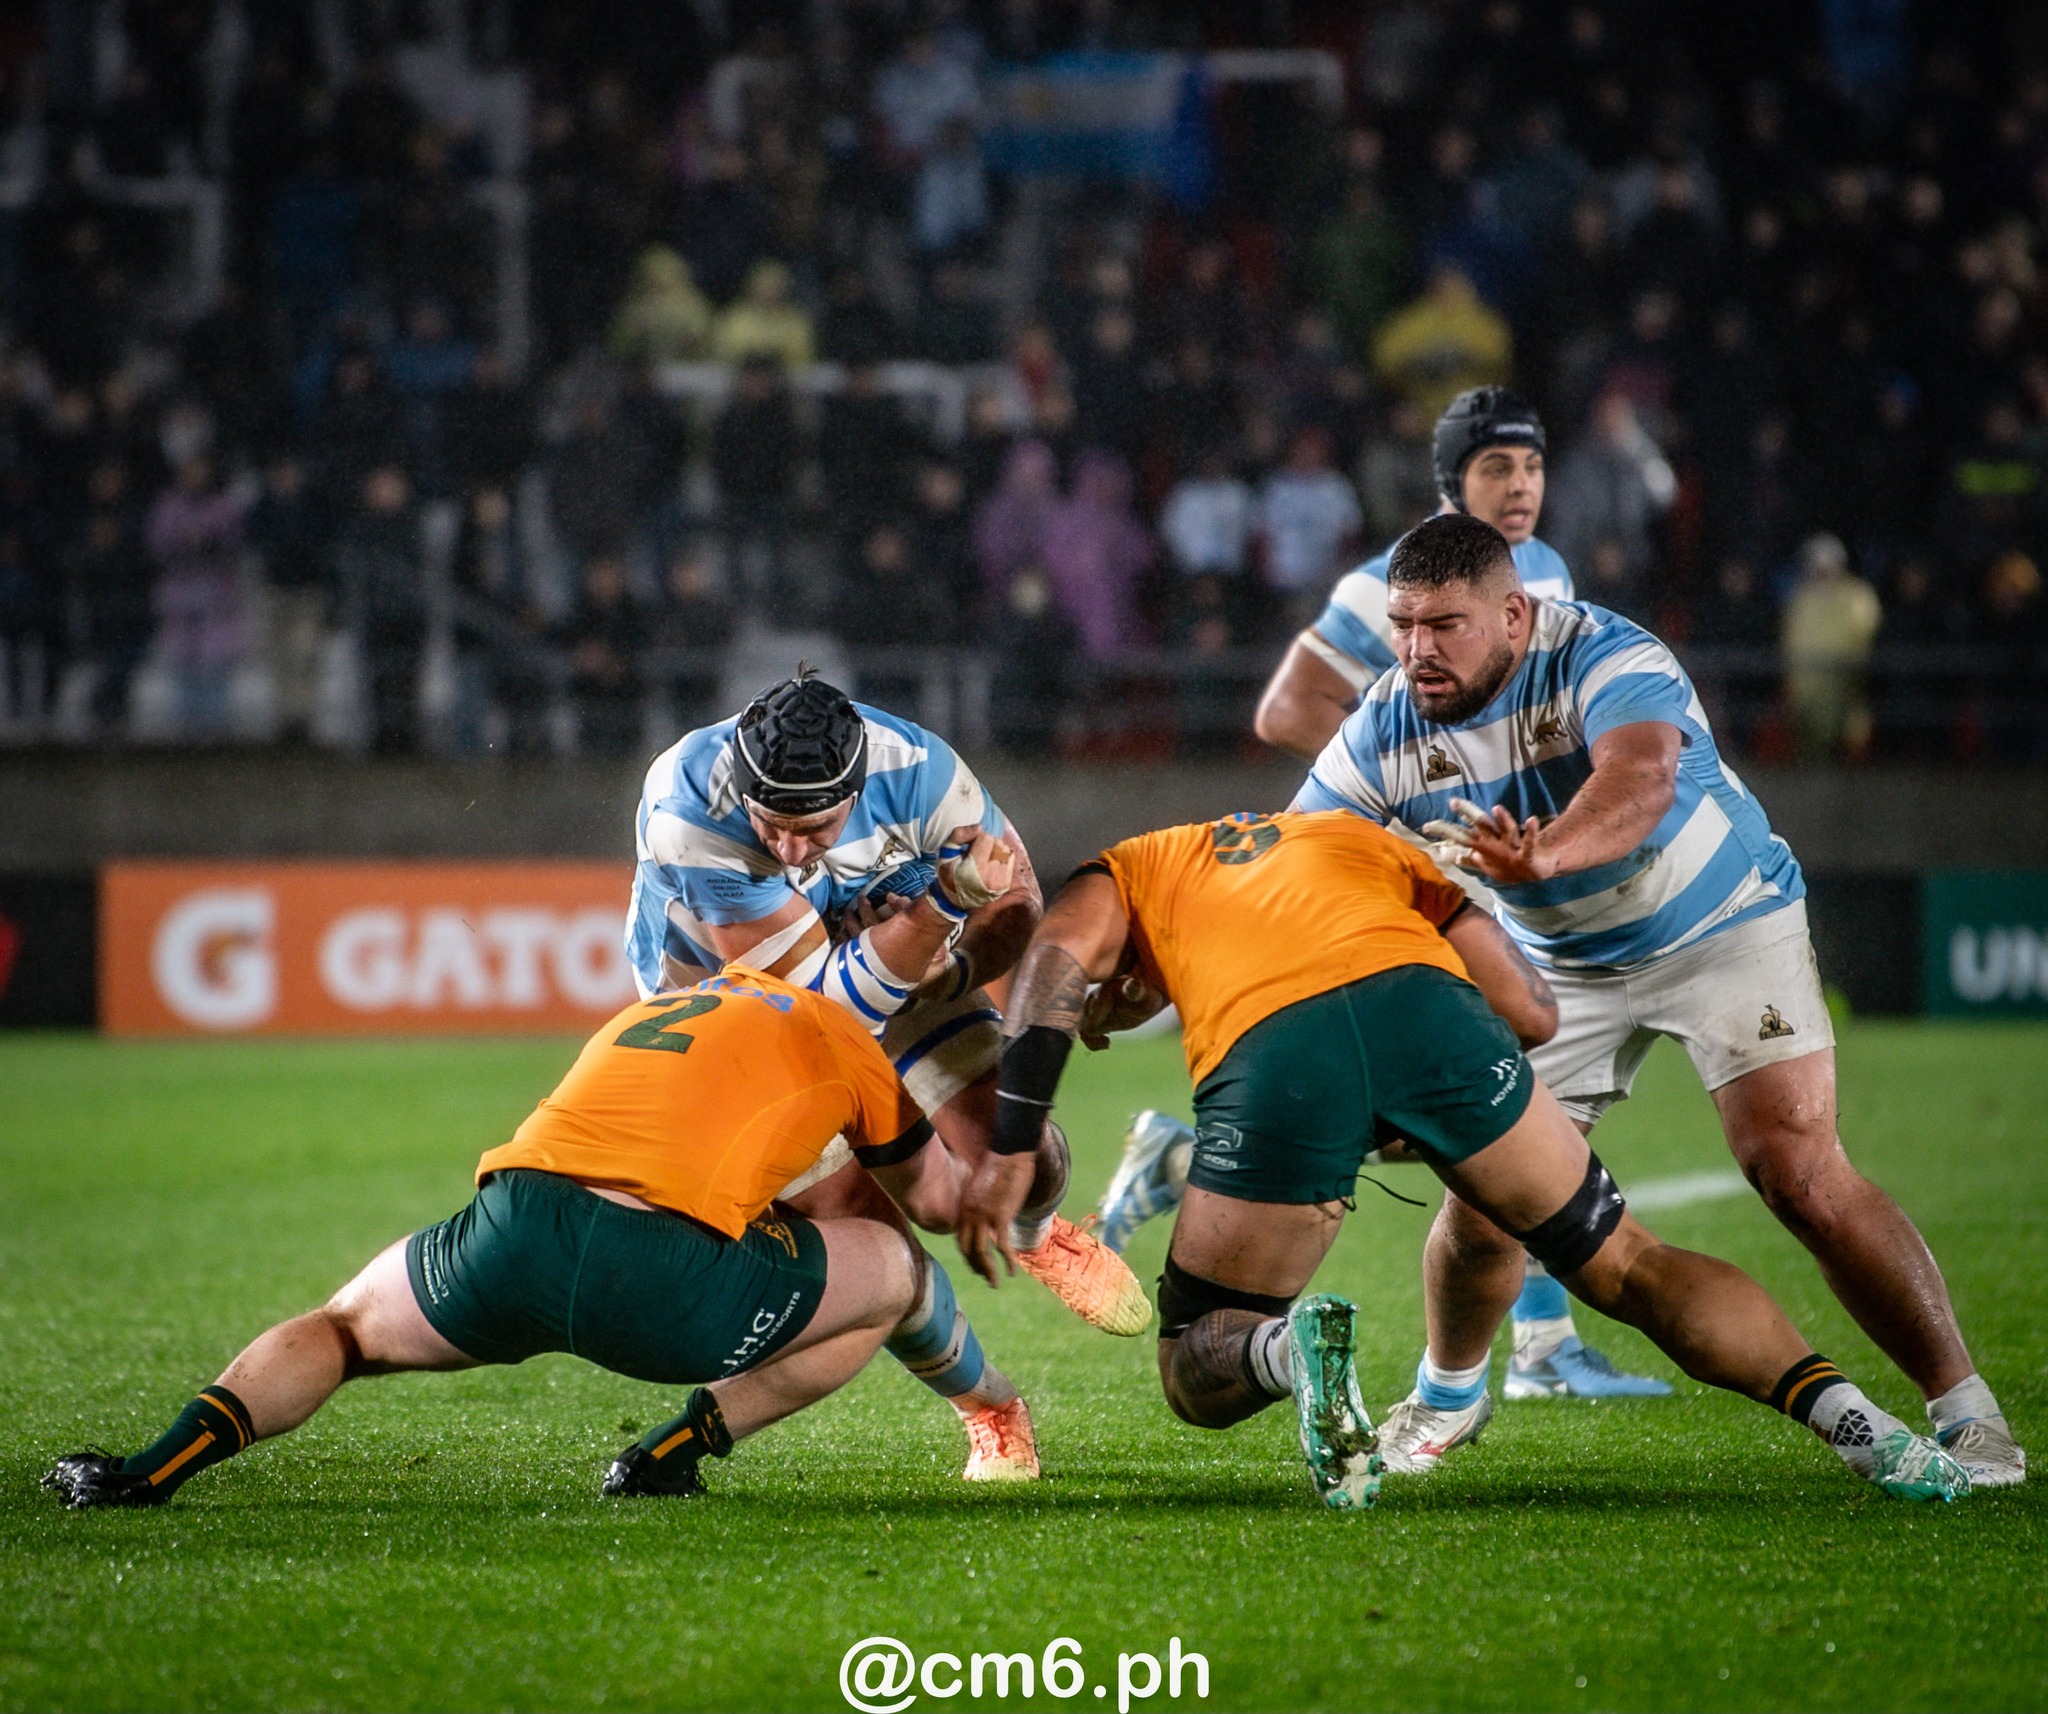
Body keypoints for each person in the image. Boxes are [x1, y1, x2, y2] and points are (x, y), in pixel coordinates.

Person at [1284, 513, 2021, 1486]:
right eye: (1403, 624)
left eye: (1444, 625)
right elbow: (1296, 861)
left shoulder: (1601, 651)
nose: (1417, 649)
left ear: (1512, 613)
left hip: (1720, 925)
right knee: (1483, 1202)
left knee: (1795, 1173)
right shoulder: (1384, 721)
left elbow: (1638, 775)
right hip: (1555, 963)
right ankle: (1447, 1394)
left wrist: (1542, 851)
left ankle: (1965, 1410)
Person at [956, 807, 1969, 1510]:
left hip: (1279, 1048)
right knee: (1627, 1265)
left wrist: (1012, 1138)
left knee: (1194, 1361)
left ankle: (1286, 1346)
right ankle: (1864, 1427)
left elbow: (1051, 961)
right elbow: (1527, 1010)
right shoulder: (1355, 841)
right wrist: (1420, 1099)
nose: (1105, 1018)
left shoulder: (1122, 868)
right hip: (1433, 1016)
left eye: (1109, 1008)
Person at [44, 967, 968, 1509]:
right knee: (892, 1274)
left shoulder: (663, 1002)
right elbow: (929, 1197)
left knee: (344, 1328)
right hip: (667, 1280)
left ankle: (143, 1474)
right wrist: (1016, 1181)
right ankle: (665, 1458)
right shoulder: (846, 1036)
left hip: (515, 1227)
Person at [1227, 389, 1661, 1399]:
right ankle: (1526, 1349)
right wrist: (1417, 783)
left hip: (1520, 858)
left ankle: (1537, 1342)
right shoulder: (1405, 573)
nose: (1517, 487)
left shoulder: (1535, 569)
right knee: (1498, 1093)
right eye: (1494, 469)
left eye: (1530, 467)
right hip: (1470, 863)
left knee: (1520, 1089)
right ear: (1447, 482)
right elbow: (1286, 706)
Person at [625, 674, 1150, 1477]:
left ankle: (1036, 1231)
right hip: (741, 1015)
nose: (793, 849)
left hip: (899, 968)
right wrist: (940, 906)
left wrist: (957, 970)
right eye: (773, 824)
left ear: (860, 787)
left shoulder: (925, 774)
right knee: (882, 1237)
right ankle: (992, 1409)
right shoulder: (690, 810)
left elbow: (1017, 902)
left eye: (816, 827)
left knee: (1017, 1155)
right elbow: (814, 1013)